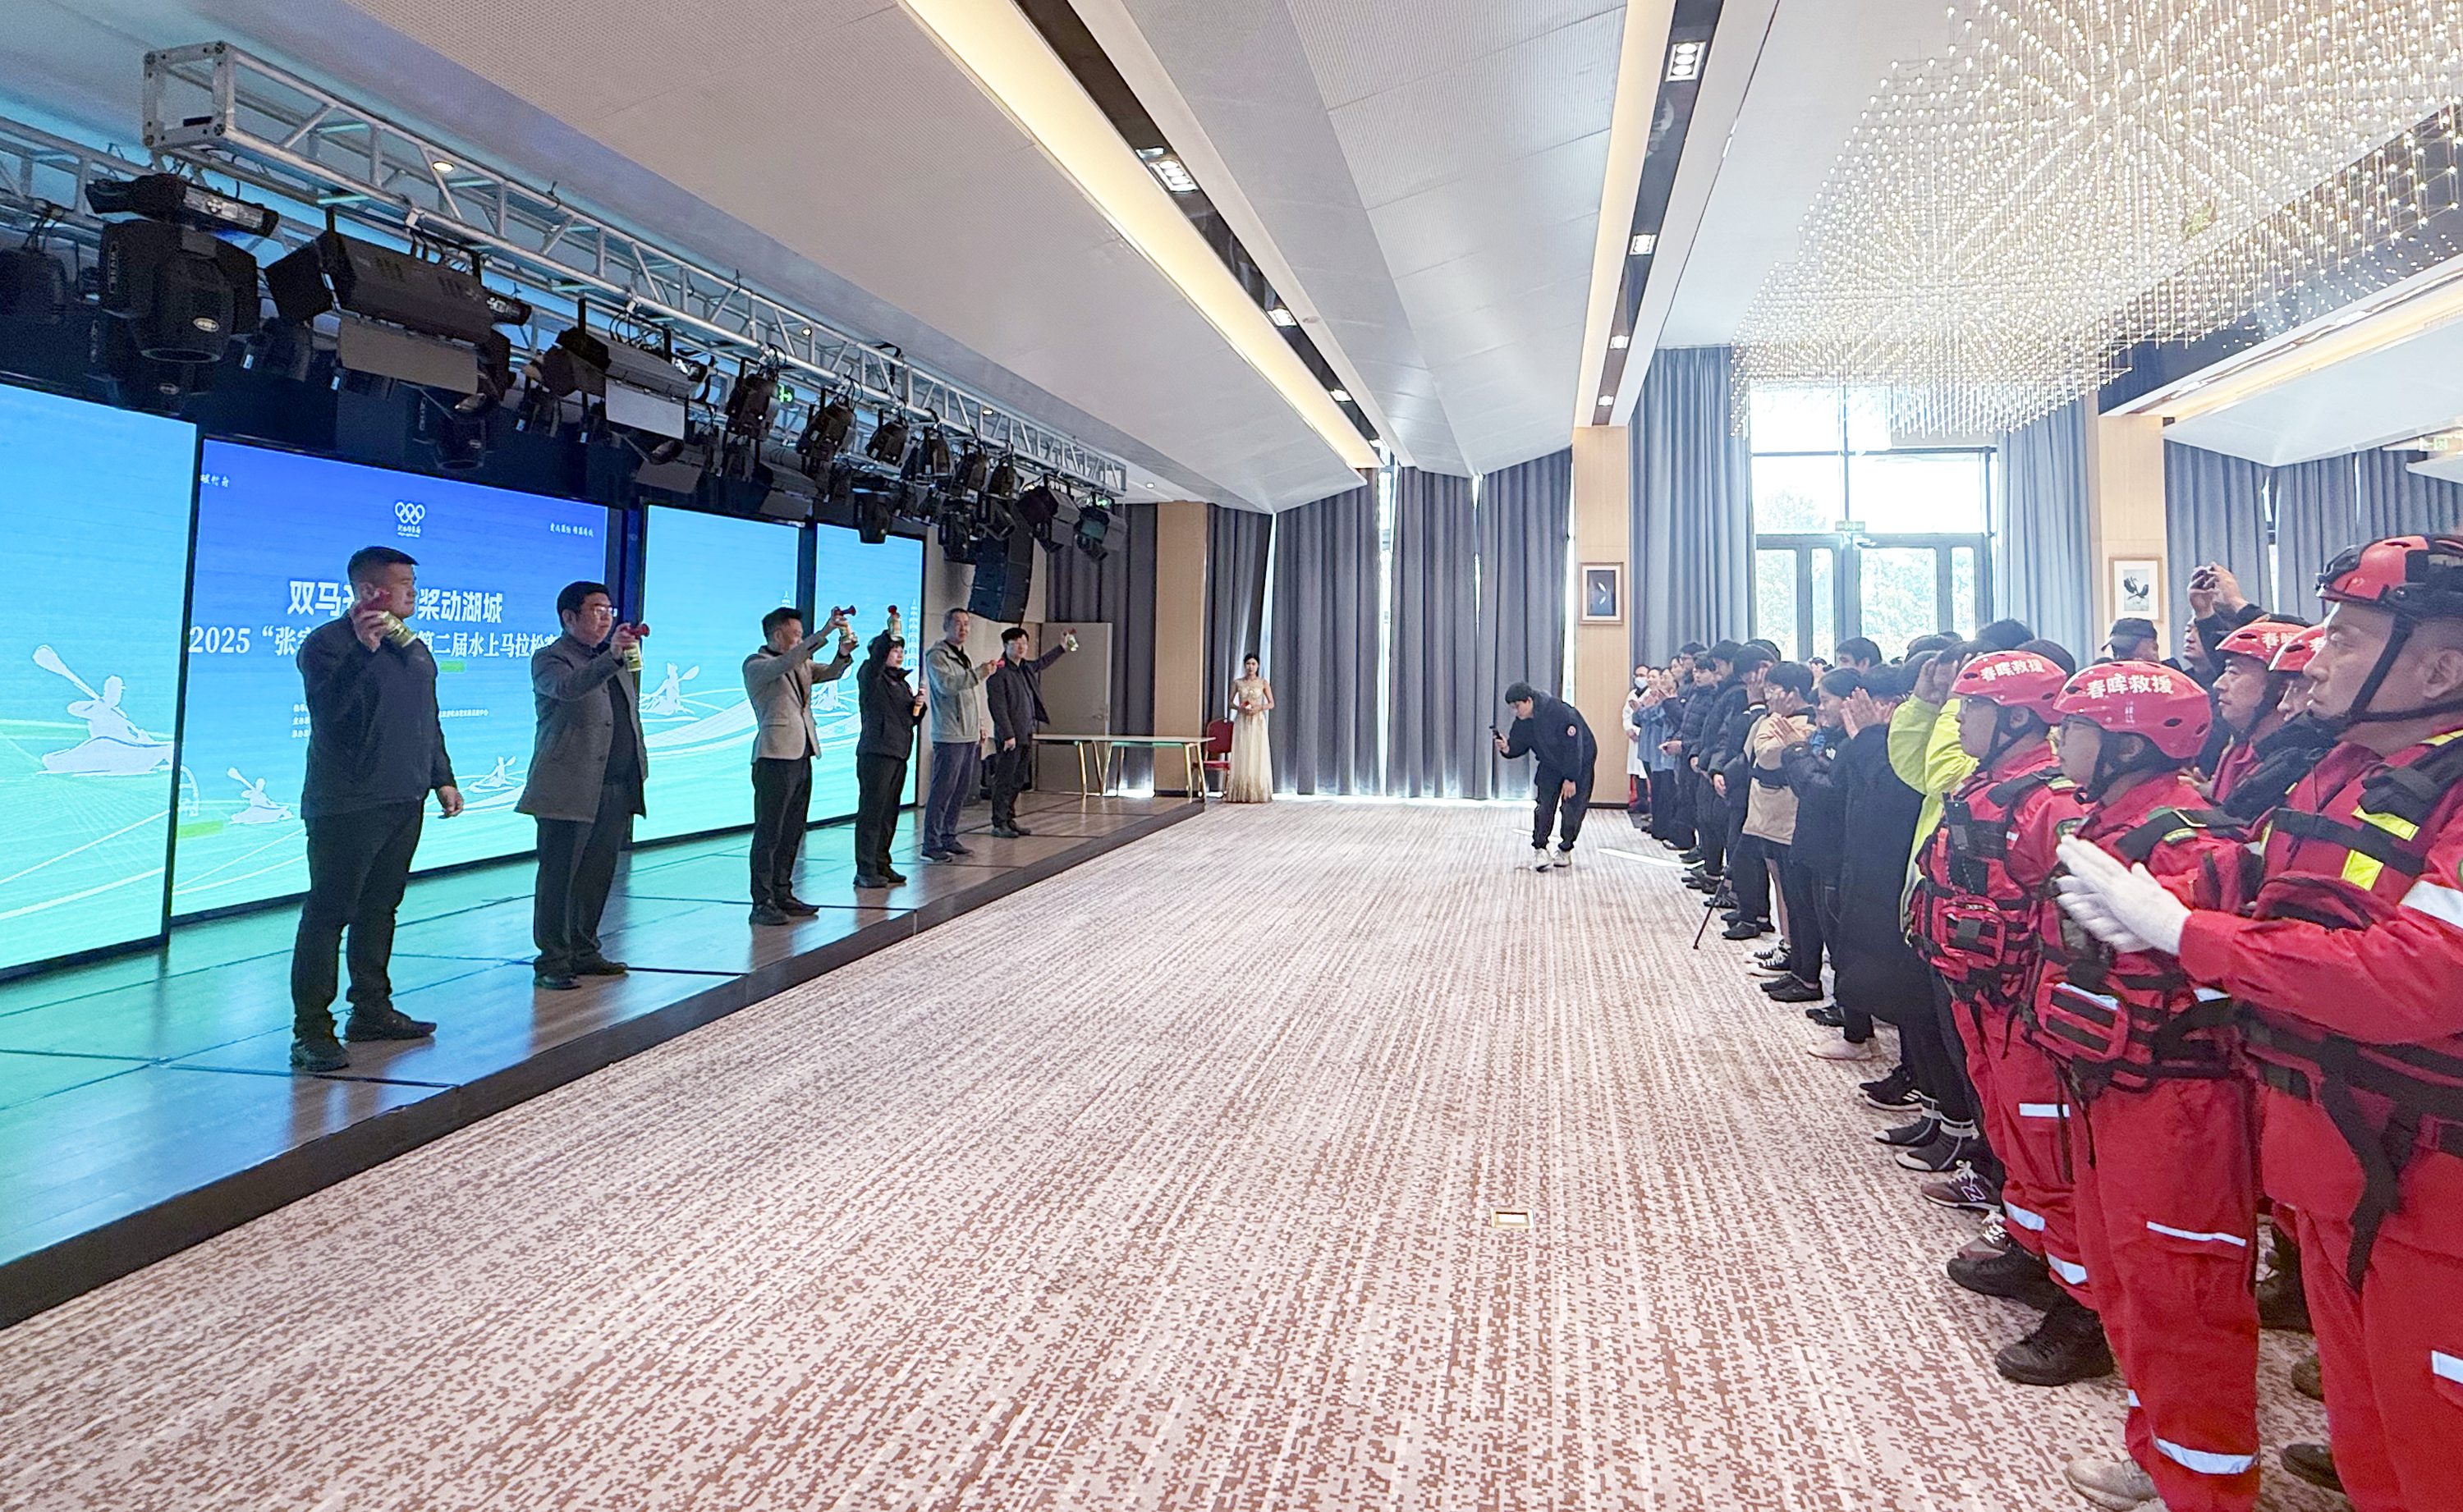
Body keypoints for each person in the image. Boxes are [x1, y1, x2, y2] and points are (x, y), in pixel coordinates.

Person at [2055, 534, 2463, 1510]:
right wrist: (2169, 902)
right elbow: (2274, 883)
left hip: (2435, 1194)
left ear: (2440, 670)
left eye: (2346, 638)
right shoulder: (2349, 773)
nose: (2313, 659)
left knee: (2438, 1457)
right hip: (2336, 1162)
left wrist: (2188, 935)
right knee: (2371, 1442)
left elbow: (2420, 976)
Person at [2019, 658, 2260, 1512]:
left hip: (2180, 1102)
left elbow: (2229, 972)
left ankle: (2206, 1492)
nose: (2059, 741)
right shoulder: (2104, 823)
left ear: (2125, 743)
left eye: (2075, 728)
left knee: (2182, 1300)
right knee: (2129, 1287)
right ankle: (2160, 1457)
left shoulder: (2192, 840)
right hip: (2111, 1089)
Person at [1904, 648, 2113, 1387]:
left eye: (1975, 709)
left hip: (2027, 1007)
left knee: (2051, 1148)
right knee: (2008, 1131)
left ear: (2019, 718)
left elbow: (2083, 926)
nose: (1961, 720)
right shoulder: (1983, 782)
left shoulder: (2053, 804)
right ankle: (2030, 1249)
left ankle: (2085, 1311)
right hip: (1980, 995)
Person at [287, 546, 462, 1072]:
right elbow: (330, 714)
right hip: (347, 804)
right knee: (329, 914)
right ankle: (311, 1032)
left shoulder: (412, 647)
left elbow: (426, 718)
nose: (414, 592)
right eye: (404, 584)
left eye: (413, 583)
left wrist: (442, 778)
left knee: (381, 908)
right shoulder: (327, 644)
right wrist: (361, 655)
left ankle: (371, 1010)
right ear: (369, 590)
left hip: (404, 797)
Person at [517, 581, 649, 988]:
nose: (606, 617)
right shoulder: (550, 658)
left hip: (615, 784)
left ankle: (585, 949)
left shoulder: (614, 656)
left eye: (609, 610)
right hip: (568, 785)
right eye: (596, 609)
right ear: (568, 617)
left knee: (597, 874)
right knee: (560, 877)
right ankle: (552, 960)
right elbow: (569, 690)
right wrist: (613, 657)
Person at [742, 605, 856, 923]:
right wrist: (824, 633)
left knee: (793, 830)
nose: (800, 640)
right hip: (774, 757)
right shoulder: (756, 664)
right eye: (796, 634)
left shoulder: (800, 662)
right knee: (769, 832)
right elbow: (787, 662)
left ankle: (783, 891)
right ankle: (762, 901)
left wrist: (842, 655)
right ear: (777, 635)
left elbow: (830, 672)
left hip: (802, 753)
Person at [2205, 617, 2312, 805]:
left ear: (2281, 686)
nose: (2218, 684)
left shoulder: (2300, 767)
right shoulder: (2239, 750)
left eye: (2233, 671)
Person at [853, 614, 926, 889]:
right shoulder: (870, 675)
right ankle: (865, 869)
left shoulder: (901, 683)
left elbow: (909, 719)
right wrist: (891, 632)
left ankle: (882, 862)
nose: (899, 654)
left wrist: (918, 706)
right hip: (876, 753)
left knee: (888, 813)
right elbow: (875, 661)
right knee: (872, 812)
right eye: (894, 650)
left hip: (899, 752)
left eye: (901, 650)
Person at [985, 625, 1076, 836]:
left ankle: (1009, 818)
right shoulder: (999, 673)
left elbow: (1042, 663)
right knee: (1005, 779)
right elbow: (998, 707)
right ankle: (999, 822)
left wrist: (1062, 648)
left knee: (1018, 780)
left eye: (1024, 643)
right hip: (1010, 736)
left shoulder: (1024, 668)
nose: (1022, 647)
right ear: (1006, 645)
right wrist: (1008, 734)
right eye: (1017, 643)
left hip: (1025, 732)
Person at [1496, 680, 1596, 870]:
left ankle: (1565, 849)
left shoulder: (1559, 712)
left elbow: (1574, 747)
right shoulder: (1523, 721)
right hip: (1550, 764)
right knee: (1544, 806)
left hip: (1579, 762)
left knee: (1572, 809)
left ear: (1528, 701)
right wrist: (1507, 748)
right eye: (1512, 708)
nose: (1515, 711)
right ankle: (1540, 848)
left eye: (1517, 706)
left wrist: (1571, 778)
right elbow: (1519, 744)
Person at [920, 608, 995, 860]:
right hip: (949, 735)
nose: (963, 628)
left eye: (966, 624)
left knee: (961, 790)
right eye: (958, 623)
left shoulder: (963, 656)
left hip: (969, 735)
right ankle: (931, 843)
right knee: (943, 790)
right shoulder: (937, 656)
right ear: (945, 626)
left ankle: (948, 837)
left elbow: (971, 695)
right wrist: (979, 673)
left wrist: (979, 725)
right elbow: (948, 686)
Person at [1227, 653, 1275, 803]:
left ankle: (1257, 790)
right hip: (1242, 720)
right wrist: (1240, 708)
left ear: (1258, 666)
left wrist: (1259, 708)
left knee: (1256, 752)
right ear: (1244, 665)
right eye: (1248, 664)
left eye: (1253, 664)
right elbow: (1230, 702)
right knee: (1243, 751)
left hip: (1257, 721)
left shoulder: (1263, 683)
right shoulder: (1238, 683)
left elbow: (1271, 703)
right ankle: (1240, 791)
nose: (1251, 667)